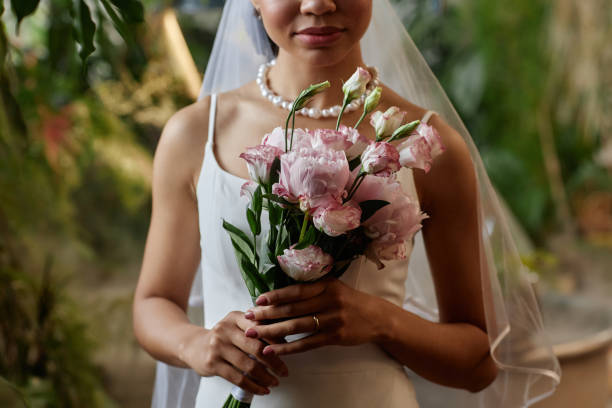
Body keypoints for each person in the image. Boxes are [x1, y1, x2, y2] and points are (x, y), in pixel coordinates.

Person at [133, 1, 561, 407]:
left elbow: (478, 364)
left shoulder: (428, 147)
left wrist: (381, 321)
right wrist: (196, 344)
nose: (318, 4)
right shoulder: (194, 134)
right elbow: (153, 303)